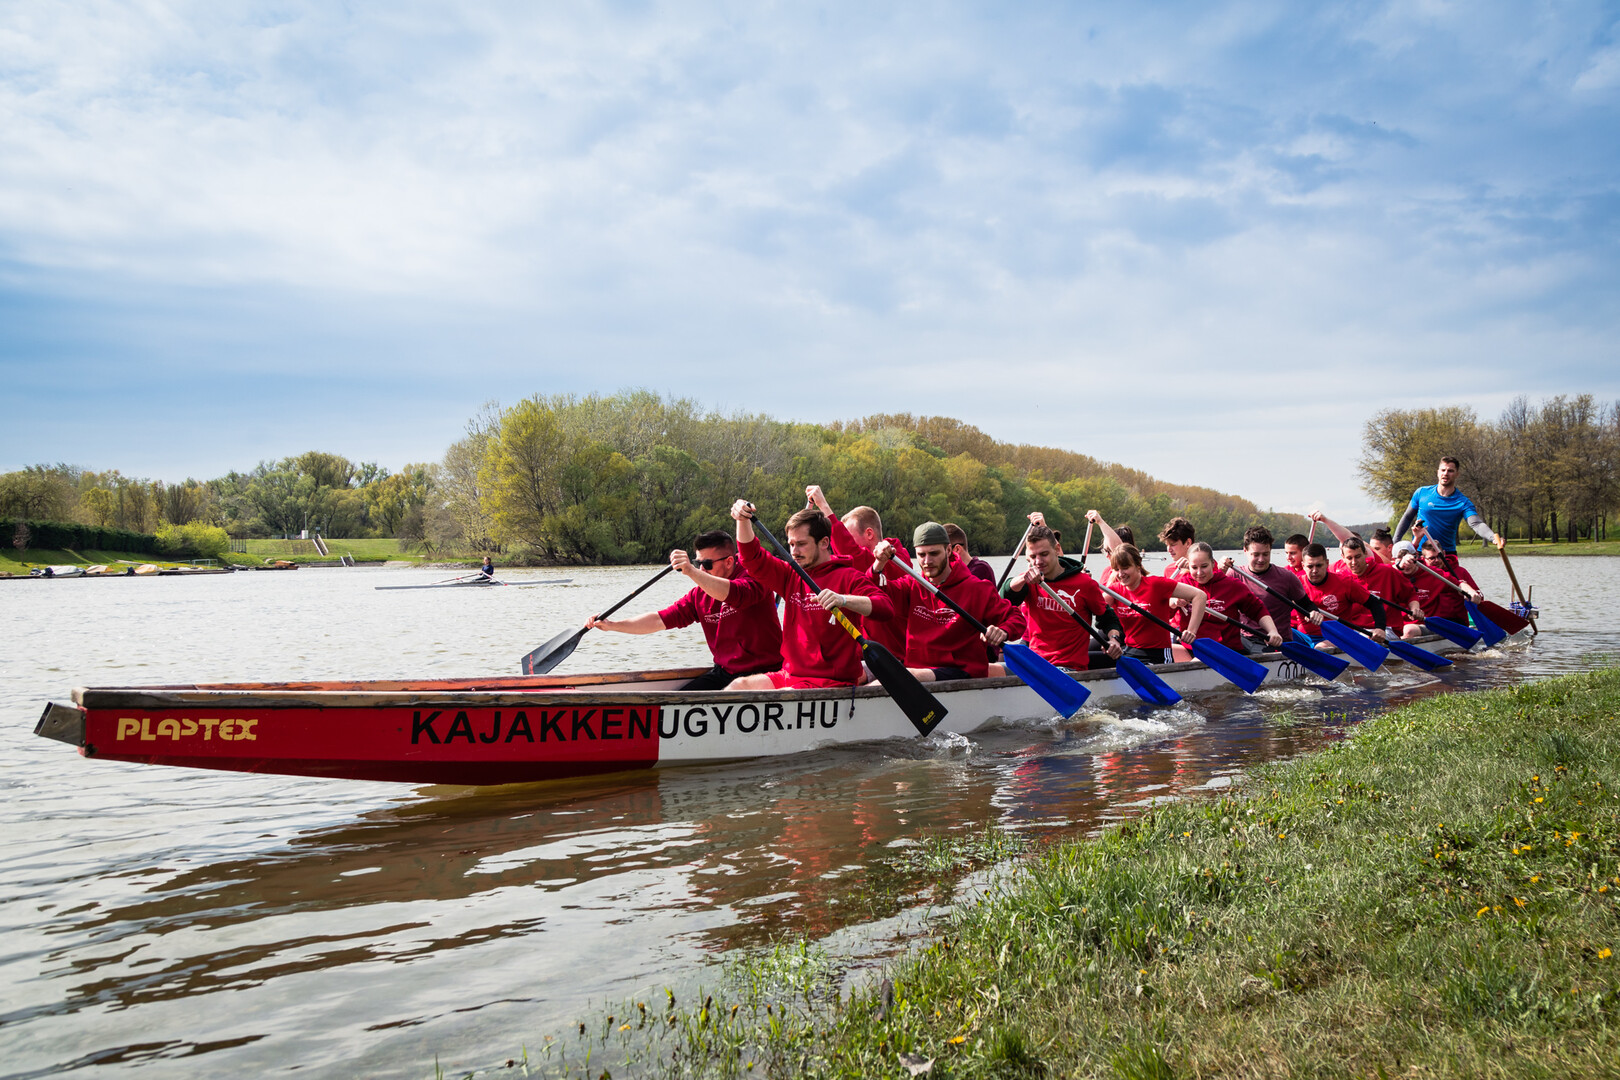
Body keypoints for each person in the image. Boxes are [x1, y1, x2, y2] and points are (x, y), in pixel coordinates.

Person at [585, 531, 784, 690]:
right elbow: (658, 620)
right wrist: (612, 625)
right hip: (725, 673)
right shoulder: (699, 594)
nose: (702, 570)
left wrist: (690, 570)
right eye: (699, 563)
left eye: (707, 564)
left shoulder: (756, 576)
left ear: (729, 562)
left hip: (766, 673)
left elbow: (733, 594)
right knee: (680, 699)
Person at [728, 501, 894, 690]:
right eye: (791, 544)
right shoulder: (790, 574)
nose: (794, 552)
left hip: (831, 680)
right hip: (791, 675)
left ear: (824, 543)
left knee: (785, 694)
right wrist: (742, 520)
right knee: (737, 686)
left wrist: (844, 600)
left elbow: (885, 607)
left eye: (801, 544)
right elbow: (752, 557)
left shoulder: (849, 576)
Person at [870, 522, 1026, 681]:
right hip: (917, 671)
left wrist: (1003, 630)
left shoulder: (977, 588)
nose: (927, 561)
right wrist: (879, 563)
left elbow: (1016, 618)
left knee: (899, 676)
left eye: (934, 553)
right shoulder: (911, 585)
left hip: (960, 671)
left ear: (949, 550)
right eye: (921, 555)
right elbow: (872, 592)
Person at [1001, 517, 1123, 669]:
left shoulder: (1084, 584)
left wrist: (1113, 639)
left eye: (1044, 554)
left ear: (1057, 549)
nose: (1038, 562)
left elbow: (1108, 618)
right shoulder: (1028, 582)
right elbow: (1004, 600)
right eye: (1033, 557)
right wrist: (1021, 580)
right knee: (989, 671)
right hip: (1036, 664)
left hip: (1068, 667)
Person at [804, 486, 911, 658]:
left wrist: (823, 505)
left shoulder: (895, 559)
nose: (841, 547)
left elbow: (852, 552)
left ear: (869, 534)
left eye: (849, 536)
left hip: (890, 657)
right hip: (864, 654)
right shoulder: (857, 567)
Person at [1396, 456, 1506, 573]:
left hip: (1446, 555)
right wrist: (1395, 542)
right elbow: (1407, 517)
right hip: (1420, 553)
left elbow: (1476, 524)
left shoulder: (1463, 502)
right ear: (1438, 472)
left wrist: (1492, 537)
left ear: (1457, 474)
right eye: (1443, 470)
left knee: (1452, 588)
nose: (1446, 473)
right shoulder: (1421, 493)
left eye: (1450, 471)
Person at [1103, 544, 1207, 664]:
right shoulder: (1115, 591)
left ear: (1138, 565)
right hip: (1130, 651)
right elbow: (1094, 606)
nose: (1121, 574)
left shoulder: (1155, 585)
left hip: (1158, 654)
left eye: (1125, 568)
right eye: (1116, 569)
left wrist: (1191, 631)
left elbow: (1199, 596)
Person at [1174, 543, 1282, 651]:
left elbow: (1258, 610)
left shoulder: (1232, 585)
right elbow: (1165, 609)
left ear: (1212, 563)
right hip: (1192, 647)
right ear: (1188, 566)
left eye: (1204, 566)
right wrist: (1173, 601)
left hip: (1226, 649)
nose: (1199, 572)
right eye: (1194, 567)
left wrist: (1272, 631)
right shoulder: (1182, 584)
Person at [1225, 526, 1310, 654]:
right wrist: (1219, 569)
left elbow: (1307, 606)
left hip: (1278, 642)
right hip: (1246, 639)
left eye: (1266, 554)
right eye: (1256, 554)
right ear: (1245, 551)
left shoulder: (1286, 577)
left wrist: (1313, 613)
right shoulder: (1234, 574)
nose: (1261, 559)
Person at [1332, 536, 1426, 640]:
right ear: (1343, 557)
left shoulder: (1387, 572)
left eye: (1358, 556)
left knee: (1364, 638)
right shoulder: (1340, 577)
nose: (1354, 562)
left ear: (1365, 554)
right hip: (1354, 630)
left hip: (1387, 629)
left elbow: (1410, 594)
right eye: (1349, 558)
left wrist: (1415, 609)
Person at [1294, 543, 1389, 644]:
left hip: (1337, 636)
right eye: (1310, 566)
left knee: (1320, 647)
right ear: (1303, 566)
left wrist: (1380, 628)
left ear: (1327, 563)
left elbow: (1375, 603)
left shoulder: (1344, 582)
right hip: (1305, 637)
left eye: (1319, 565)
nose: (1314, 571)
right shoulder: (1295, 584)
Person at [1394, 540, 1480, 622]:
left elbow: (1461, 585)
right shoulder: (1392, 574)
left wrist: (1471, 592)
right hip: (1404, 625)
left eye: (1439, 556)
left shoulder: (1438, 573)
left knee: (1410, 631)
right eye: (1432, 558)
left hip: (1448, 622)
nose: (1437, 560)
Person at [1157, 516, 1197, 581]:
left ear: (1188, 543)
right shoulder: (1168, 570)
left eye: (1173, 545)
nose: (1169, 550)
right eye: (1167, 545)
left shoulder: (1207, 567)